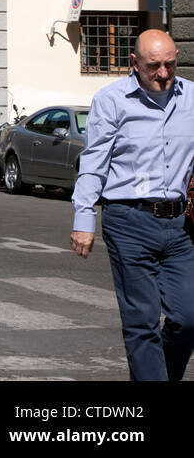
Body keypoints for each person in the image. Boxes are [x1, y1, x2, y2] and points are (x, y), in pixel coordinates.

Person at [71, 29, 194, 381]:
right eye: (154, 65)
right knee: (142, 321)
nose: (163, 73)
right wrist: (84, 218)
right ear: (134, 64)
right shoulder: (111, 100)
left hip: (179, 223)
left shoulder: (191, 98)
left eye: (170, 64)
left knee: (188, 317)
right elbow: (94, 163)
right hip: (128, 220)